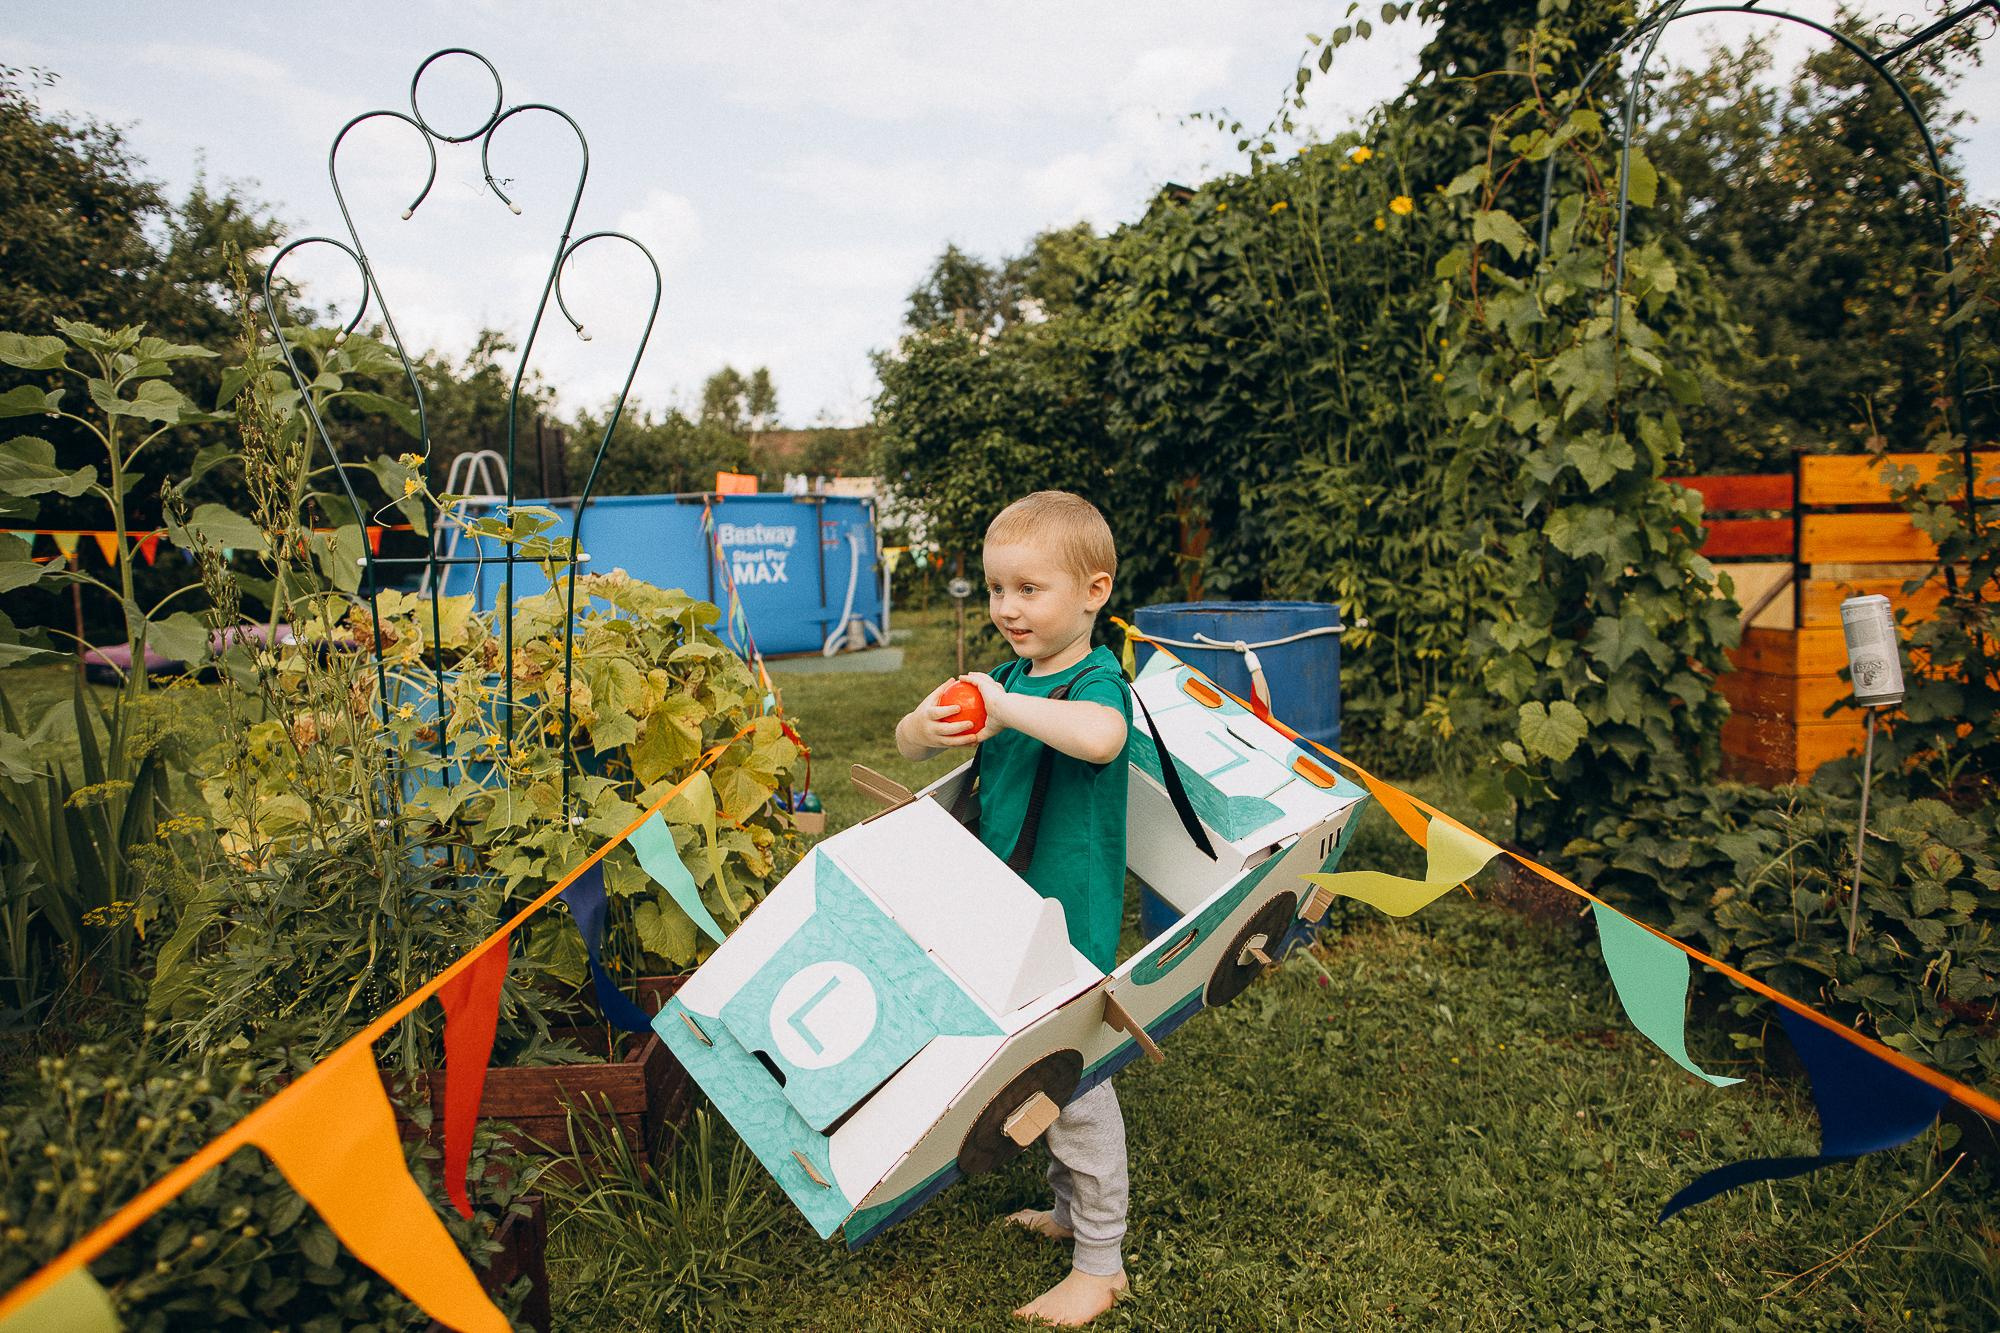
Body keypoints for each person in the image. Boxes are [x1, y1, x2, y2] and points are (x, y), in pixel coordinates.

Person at [895, 490, 1132, 1326]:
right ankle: (1070, 1213)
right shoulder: (1003, 680)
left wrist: (1000, 707)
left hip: (1068, 923)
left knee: (1074, 1079)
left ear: (1094, 591)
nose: (1006, 609)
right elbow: (905, 741)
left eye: (1029, 590)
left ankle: (1101, 1262)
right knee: (1037, 1070)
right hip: (1006, 912)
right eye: (997, 589)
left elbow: (1100, 738)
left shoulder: (1099, 680)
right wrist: (927, 725)